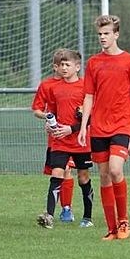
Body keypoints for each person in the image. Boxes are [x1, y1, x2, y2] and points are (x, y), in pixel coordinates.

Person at [77, 14, 130, 240]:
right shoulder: (93, 63)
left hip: (122, 124)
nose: (102, 37)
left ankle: (123, 221)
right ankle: (111, 229)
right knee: (104, 176)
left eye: (107, 33)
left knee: (116, 170)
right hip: (99, 126)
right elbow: (89, 96)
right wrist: (83, 127)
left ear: (116, 34)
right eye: (100, 34)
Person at [34, 49, 95, 229]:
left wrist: (72, 129)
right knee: (57, 174)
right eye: (62, 65)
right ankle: (49, 216)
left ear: (77, 67)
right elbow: (51, 112)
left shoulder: (86, 88)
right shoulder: (55, 88)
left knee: (83, 178)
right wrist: (50, 123)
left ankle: (87, 217)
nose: (64, 68)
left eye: (68, 65)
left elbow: (91, 116)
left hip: (81, 141)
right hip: (60, 140)